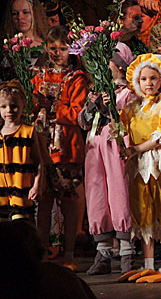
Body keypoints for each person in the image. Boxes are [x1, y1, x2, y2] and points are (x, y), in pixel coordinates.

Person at [120, 54, 161, 278]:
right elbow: (122, 129)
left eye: (153, 78)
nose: (149, 83)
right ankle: (148, 262)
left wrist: (136, 149)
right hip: (140, 164)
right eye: (144, 79)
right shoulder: (132, 107)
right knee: (143, 210)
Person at [32, 26, 89, 271]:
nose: (57, 53)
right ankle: (43, 252)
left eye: (63, 49)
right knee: (44, 202)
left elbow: (77, 114)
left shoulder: (77, 78)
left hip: (67, 148)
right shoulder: (38, 75)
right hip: (43, 146)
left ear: (71, 51)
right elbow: (31, 105)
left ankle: (70, 253)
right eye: (53, 48)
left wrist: (52, 107)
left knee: (68, 201)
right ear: (46, 48)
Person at [79, 43, 136, 275]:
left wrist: (109, 110)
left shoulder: (128, 92)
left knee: (119, 191)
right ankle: (103, 251)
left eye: (107, 61)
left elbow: (130, 119)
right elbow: (83, 122)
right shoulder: (97, 90)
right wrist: (92, 106)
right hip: (95, 145)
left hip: (116, 144)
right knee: (96, 193)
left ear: (120, 66)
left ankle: (126, 251)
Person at [0, 81, 48, 221]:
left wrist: (37, 185)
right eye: (3, 106)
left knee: (21, 225)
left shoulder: (28, 132)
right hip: (1, 192)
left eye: (14, 106)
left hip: (21, 190)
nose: (9, 110)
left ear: (23, 107)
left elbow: (39, 162)